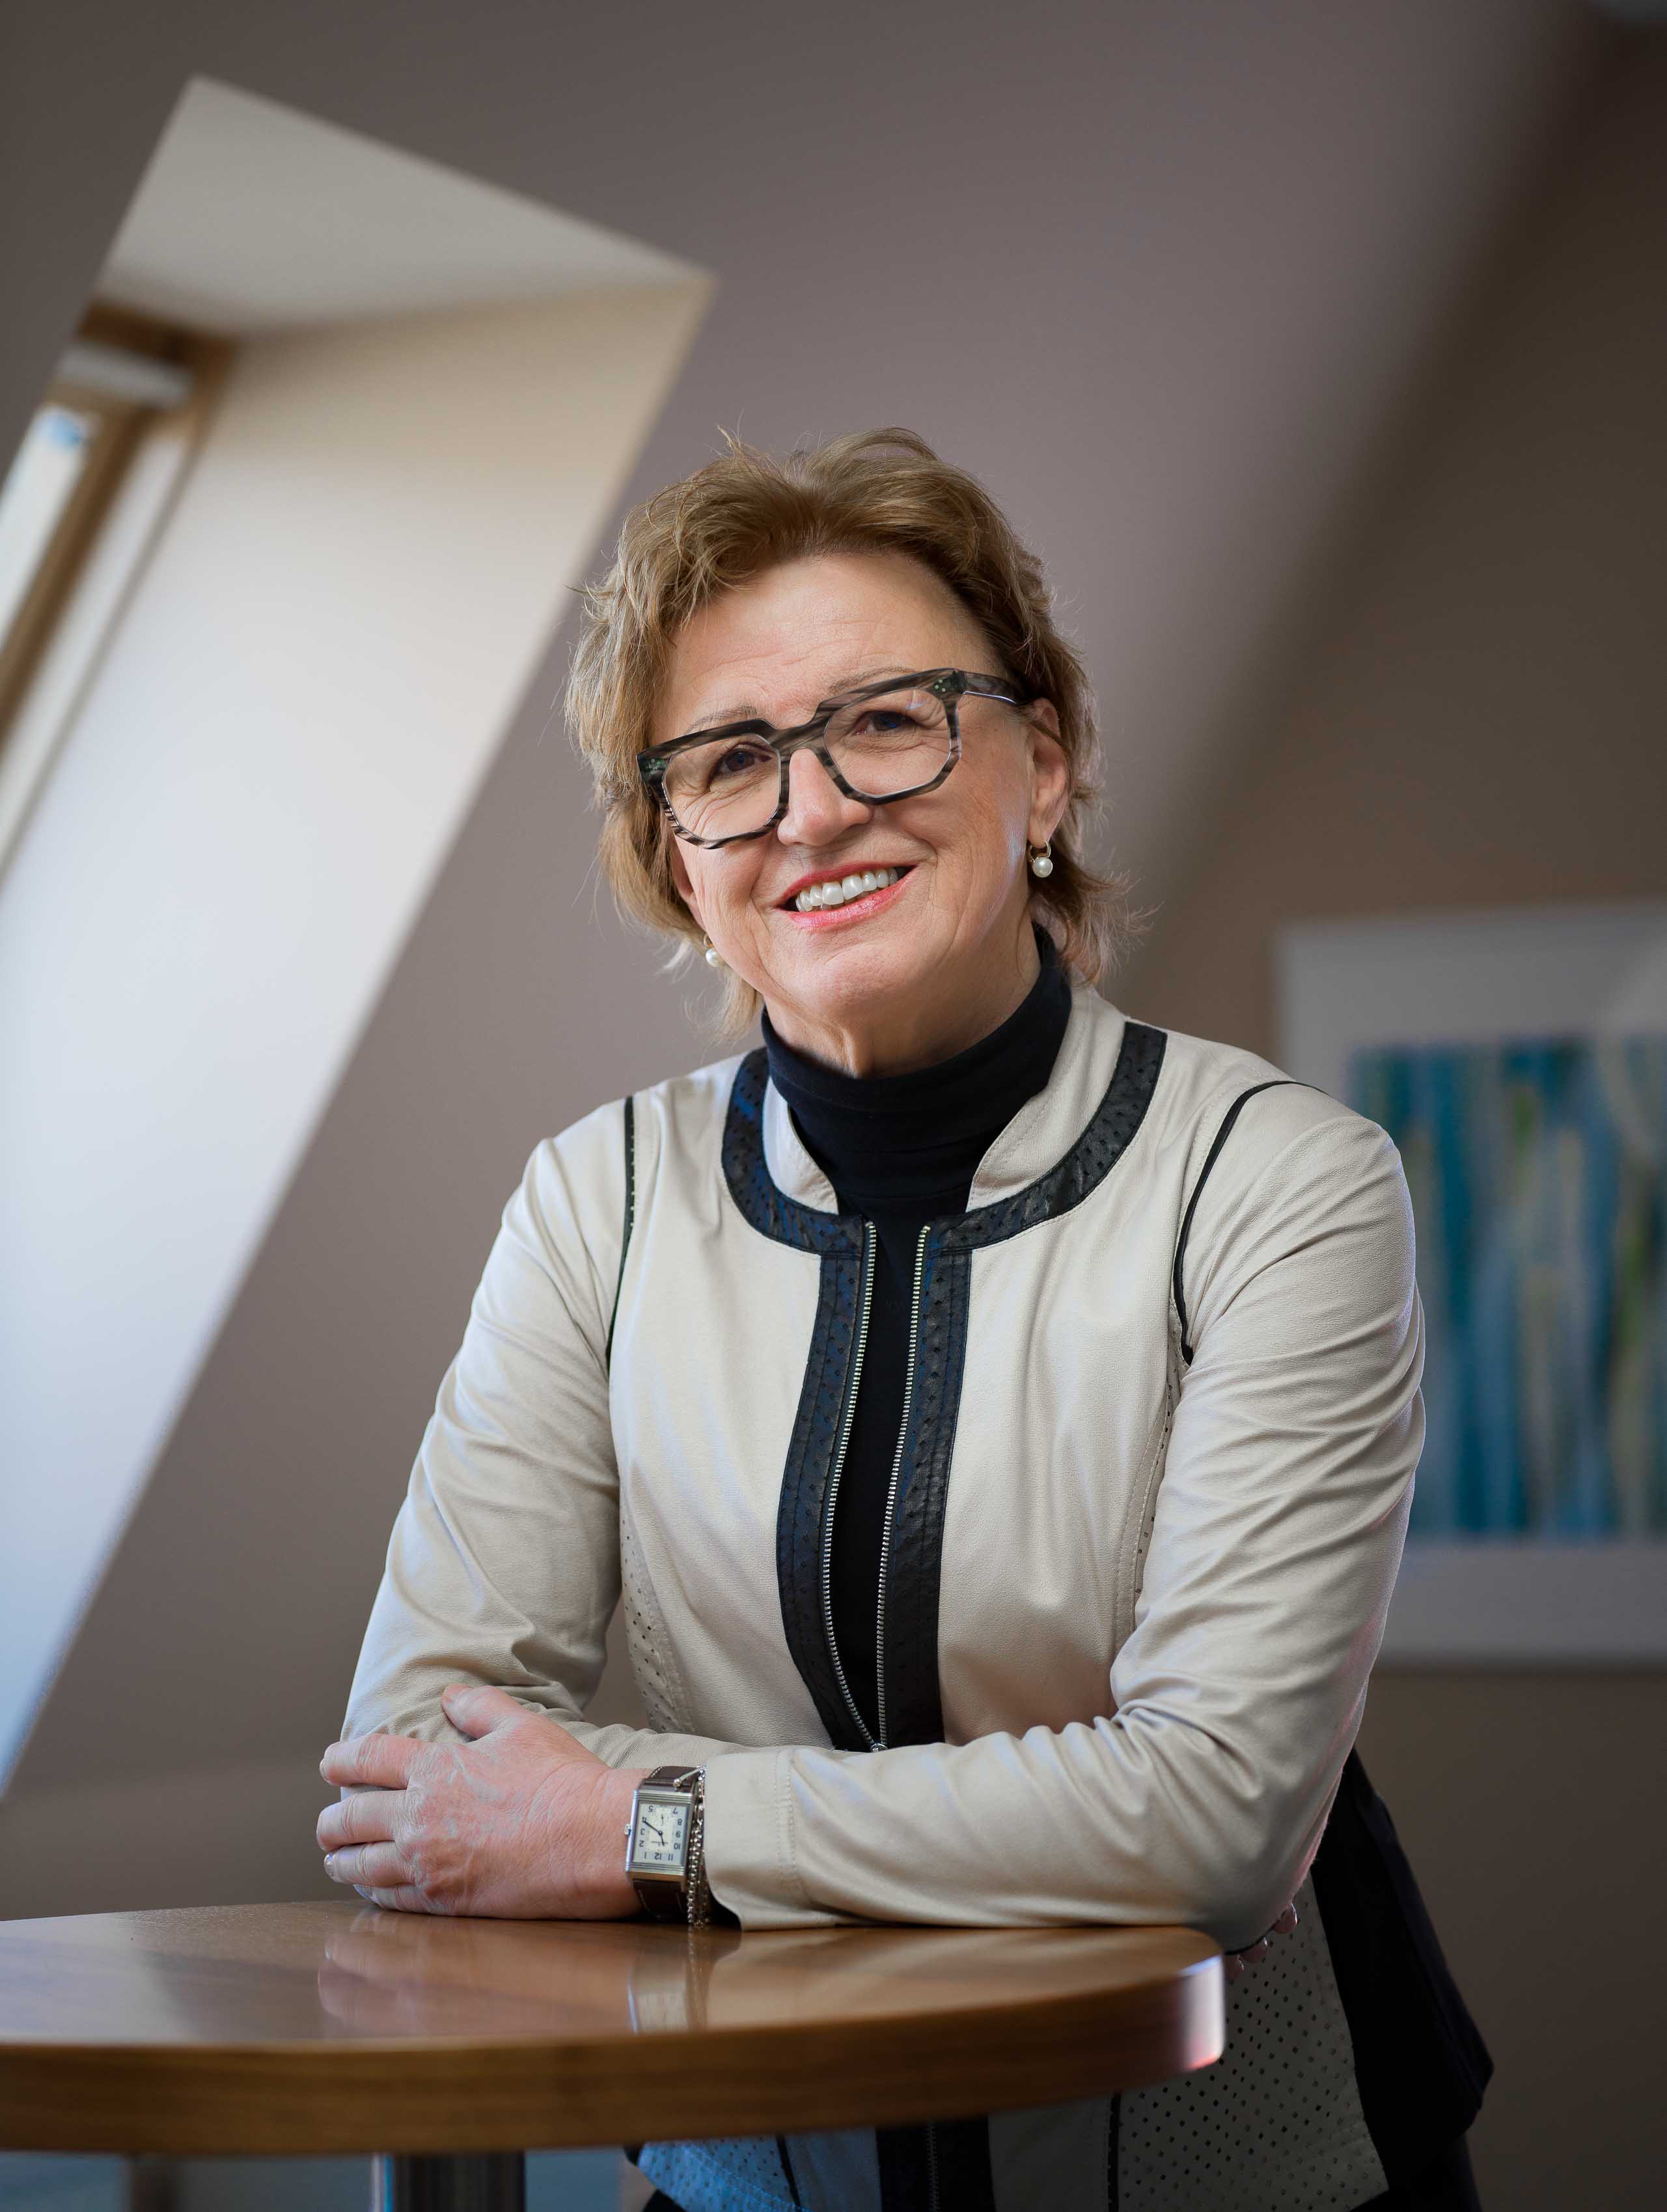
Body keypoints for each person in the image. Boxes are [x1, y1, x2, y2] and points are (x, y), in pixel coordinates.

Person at [318, 429, 1493, 2211]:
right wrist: (1045, 1807)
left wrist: (628, 1820)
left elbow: (1215, 1826)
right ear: (675, 855)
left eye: (884, 719)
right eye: (727, 761)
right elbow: (419, 1759)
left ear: (1046, 761)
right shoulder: (595, 1199)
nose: (807, 807)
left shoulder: (1279, 1184)